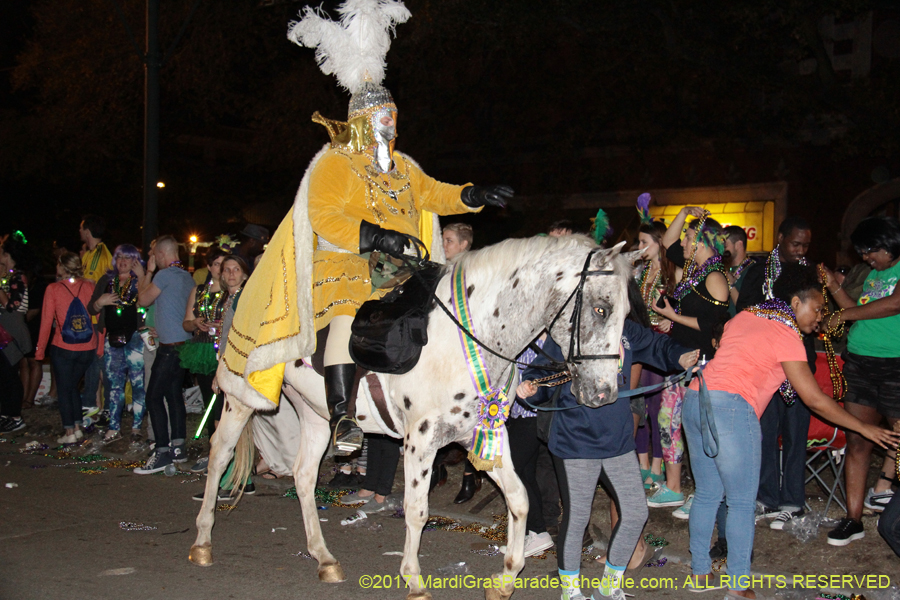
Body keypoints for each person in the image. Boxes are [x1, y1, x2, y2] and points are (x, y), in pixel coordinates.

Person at [681, 262, 899, 599]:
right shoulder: (786, 333)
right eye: (817, 307)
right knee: (740, 503)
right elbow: (815, 399)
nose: (820, 316)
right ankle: (739, 588)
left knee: (709, 493)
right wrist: (865, 429)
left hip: (696, 400)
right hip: (731, 410)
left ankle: (698, 574)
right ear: (796, 303)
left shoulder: (746, 316)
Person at [517, 284, 698, 600]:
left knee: (636, 512)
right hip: (576, 440)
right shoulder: (570, 332)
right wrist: (531, 387)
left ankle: (609, 586)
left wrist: (681, 355)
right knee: (577, 517)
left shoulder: (628, 332)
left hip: (617, 440)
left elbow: (659, 345)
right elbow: (542, 373)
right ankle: (571, 592)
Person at [821, 216, 900, 546]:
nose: (865, 258)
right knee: (857, 441)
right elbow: (857, 309)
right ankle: (853, 519)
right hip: (860, 365)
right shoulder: (873, 274)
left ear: (886, 245)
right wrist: (831, 284)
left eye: (869, 252)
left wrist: (844, 315)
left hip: (895, 366)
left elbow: (895, 304)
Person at [652, 207, 730, 509]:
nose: (682, 244)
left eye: (687, 239)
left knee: (699, 428)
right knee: (668, 421)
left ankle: (707, 491)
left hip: (703, 364)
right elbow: (666, 245)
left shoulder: (715, 277)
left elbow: (713, 325)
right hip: (680, 360)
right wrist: (684, 213)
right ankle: (673, 487)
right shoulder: (694, 274)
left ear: (700, 242)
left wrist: (673, 316)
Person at [756, 216, 816, 531]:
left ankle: (793, 501)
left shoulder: (811, 274)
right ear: (780, 238)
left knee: (795, 434)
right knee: (765, 432)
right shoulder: (759, 271)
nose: (800, 250)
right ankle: (767, 498)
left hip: (798, 363)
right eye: (796, 243)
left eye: (806, 244)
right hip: (767, 365)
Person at [133, 235, 195, 474]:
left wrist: (146, 274)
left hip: (169, 348)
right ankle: (178, 447)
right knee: (173, 395)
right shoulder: (186, 276)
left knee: (153, 397)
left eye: (154, 256)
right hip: (183, 345)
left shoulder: (164, 274)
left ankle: (162, 452)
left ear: (160, 254)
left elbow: (142, 300)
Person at [189, 254, 250, 475]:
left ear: (244, 273)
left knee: (229, 426)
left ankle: (233, 478)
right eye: (227, 269)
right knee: (225, 425)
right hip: (226, 365)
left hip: (236, 367)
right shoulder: (229, 298)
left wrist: (223, 370)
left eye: (236, 269)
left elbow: (239, 338)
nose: (231, 274)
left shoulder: (243, 298)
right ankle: (235, 478)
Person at [633, 197, 676, 491]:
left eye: (644, 242)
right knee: (638, 401)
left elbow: (686, 309)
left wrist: (672, 322)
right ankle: (643, 463)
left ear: (659, 243)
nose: (639, 248)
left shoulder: (673, 273)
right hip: (641, 340)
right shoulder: (638, 272)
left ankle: (659, 466)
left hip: (662, 343)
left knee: (660, 406)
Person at [34, 252, 99, 443]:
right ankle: (78, 426)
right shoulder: (89, 286)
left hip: (64, 346)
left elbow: (46, 322)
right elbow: (97, 318)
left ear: (61, 267)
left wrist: (40, 351)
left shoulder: (53, 289)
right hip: (87, 347)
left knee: (64, 388)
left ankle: (69, 432)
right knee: (72, 385)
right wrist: (99, 345)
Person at [88, 244, 146, 442]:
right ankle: (114, 427)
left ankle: (137, 427)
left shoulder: (141, 280)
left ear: (135, 261)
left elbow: (150, 303)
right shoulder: (106, 280)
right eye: (120, 257)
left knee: (138, 383)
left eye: (128, 258)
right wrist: (100, 303)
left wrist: (144, 277)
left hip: (136, 338)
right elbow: (91, 308)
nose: (123, 261)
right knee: (114, 385)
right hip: (112, 337)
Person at [180, 246, 229, 431]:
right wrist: (195, 324)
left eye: (224, 264)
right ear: (209, 267)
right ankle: (212, 445)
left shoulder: (232, 292)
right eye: (216, 264)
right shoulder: (198, 291)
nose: (220, 268)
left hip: (223, 351)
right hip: (201, 350)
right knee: (209, 401)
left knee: (224, 403)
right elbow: (186, 323)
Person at [78, 215, 111, 422]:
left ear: (87, 231)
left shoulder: (99, 254)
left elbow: (88, 283)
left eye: (81, 228)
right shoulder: (90, 253)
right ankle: (97, 407)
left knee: (99, 364)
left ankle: (100, 406)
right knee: (96, 364)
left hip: (97, 319)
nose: (79, 232)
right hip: (91, 317)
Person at [723, 225, 764, 315]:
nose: (721, 249)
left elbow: (746, 309)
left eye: (725, 245)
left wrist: (731, 285)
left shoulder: (754, 271)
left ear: (738, 245)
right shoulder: (723, 267)